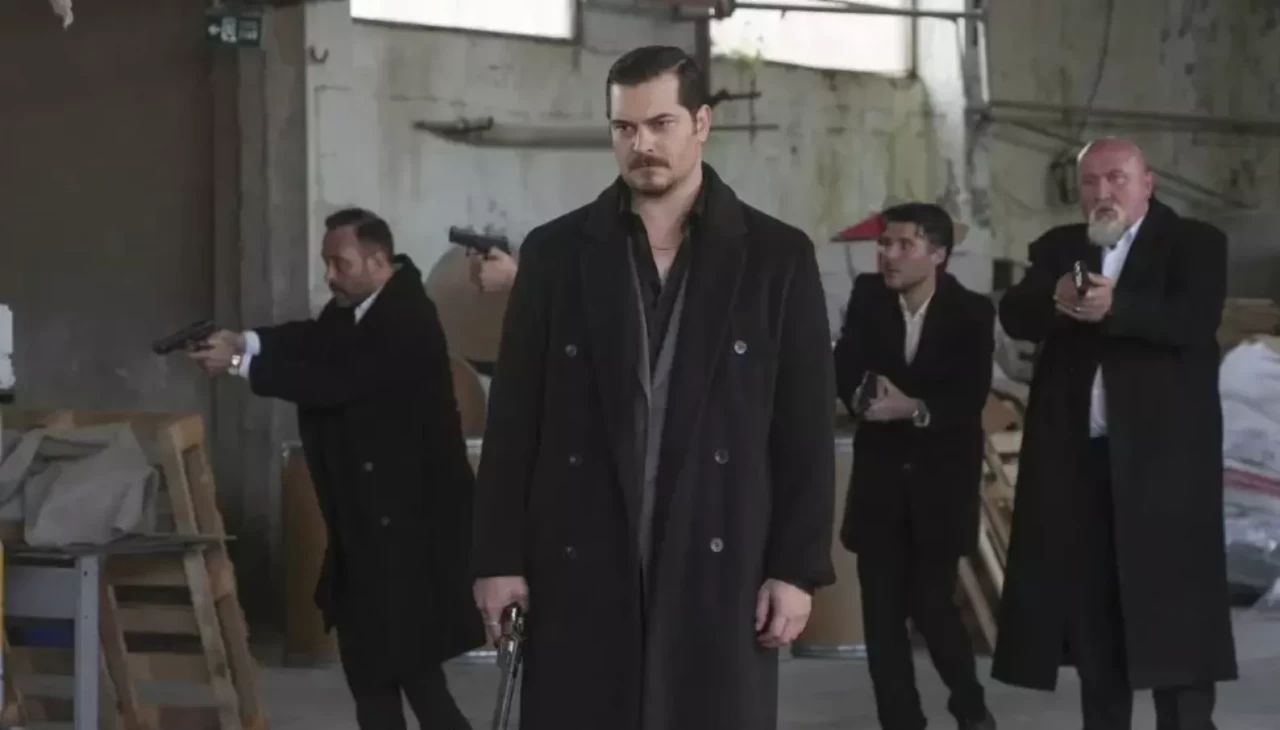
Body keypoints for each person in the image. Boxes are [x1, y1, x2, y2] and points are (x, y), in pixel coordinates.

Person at [470, 45, 836, 730]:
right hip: (579, 554)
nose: (641, 145)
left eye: (660, 123)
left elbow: (805, 430)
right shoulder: (555, 254)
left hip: (719, 556)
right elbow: (514, 420)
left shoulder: (776, 258)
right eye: (624, 127)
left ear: (701, 123)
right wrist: (497, 558)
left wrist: (796, 568)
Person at [189, 208, 485, 730]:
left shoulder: (407, 320)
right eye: (327, 263)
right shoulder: (358, 308)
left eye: (339, 264)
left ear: (378, 262)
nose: (330, 275)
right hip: (368, 531)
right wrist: (245, 341)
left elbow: (335, 381)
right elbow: (312, 340)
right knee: (373, 676)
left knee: (415, 678)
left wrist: (239, 365)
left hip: (409, 535)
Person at [992, 138, 1237, 729]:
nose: (1103, 193)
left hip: (1165, 467)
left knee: (1176, 615)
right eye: (1090, 181)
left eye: (1117, 179)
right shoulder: (1061, 247)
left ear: (1147, 183)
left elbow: (1193, 320)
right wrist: (1055, 298)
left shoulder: (1195, 243)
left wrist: (1116, 307)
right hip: (1083, 464)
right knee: (1096, 617)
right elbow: (1016, 314)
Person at [833, 202, 997, 730]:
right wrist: (860, 396)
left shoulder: (971, 312)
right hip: (880, 485)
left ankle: (969, 706)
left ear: (938, 254)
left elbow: (968, 396)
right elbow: (846, 362)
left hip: (939, 485)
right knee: (881, 619)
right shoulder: (868, 296)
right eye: (885, 244)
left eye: (905, 245)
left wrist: (914, 407)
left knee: (932, 605)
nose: (889, 255)